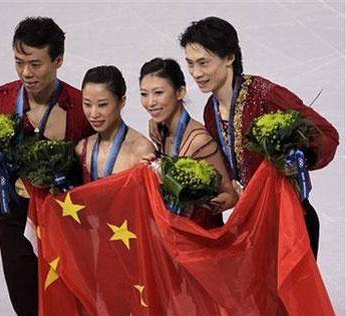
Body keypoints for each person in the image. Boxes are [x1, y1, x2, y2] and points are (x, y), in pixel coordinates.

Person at [155, 16, 338, 258]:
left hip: (293, 220)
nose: (196, 73)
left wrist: (300, 156)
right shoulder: (210, 111)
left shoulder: (265, 95)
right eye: (190, 64)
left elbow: (327, 133)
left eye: (203, 63)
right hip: (255, 223)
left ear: (229, 58)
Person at [0, 17, 93, 316]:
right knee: (28, 307)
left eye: (35, 64)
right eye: (19, 62)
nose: (26, 72)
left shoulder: (81, 106)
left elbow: (95, 164)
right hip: (15, 219)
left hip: (68, 222)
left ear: (58, 60)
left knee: (71, 307)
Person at [140, 58, 237, 228]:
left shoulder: (199, 141)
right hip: (175, 236)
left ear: (180, 92)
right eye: (144, 94)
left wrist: (195, 198)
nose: (150, 102)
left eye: (158, 93)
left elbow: (230, 196)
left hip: (200, 240)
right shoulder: (160, 130)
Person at [75, 65, 155, 182]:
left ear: (121, 102)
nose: (94, 114)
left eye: (102, 105)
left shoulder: (140, 150)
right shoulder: (82, 148)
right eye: (87, 104)